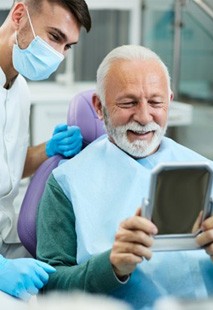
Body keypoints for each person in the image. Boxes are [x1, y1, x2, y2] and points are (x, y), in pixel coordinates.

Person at [36, 45, 213, 309]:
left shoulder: (206, 171)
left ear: (170, 100)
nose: (144, 117)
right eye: (128, 103)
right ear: (99, 106)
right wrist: (111, 266)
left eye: (155, 102)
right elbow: (49, 287)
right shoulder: (66, 183)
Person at [0, 0, 91, 301]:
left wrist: (48, 150)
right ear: (18, 15)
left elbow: (8, 168)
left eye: (68, 46)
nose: (59, 55)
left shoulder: (18, 88)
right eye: (54, 37)